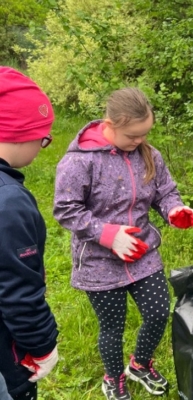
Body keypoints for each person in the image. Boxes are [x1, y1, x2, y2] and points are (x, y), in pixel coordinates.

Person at [53, 87, 193, 400]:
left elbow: (165, 191)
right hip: (98, 261)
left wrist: (175, 209)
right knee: (112, 328)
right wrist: (106, 234)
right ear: (112, 124)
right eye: (133, 135)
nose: (140, 142)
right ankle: (113, 377)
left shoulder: (149, 154)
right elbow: (65, 209)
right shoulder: (80, 161)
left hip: (141, 251)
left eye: (145, 134)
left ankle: (140, 364)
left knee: (159, 312)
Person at [0, 67, 59, 400]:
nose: (42, 147)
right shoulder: (8, 202)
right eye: (44, 138)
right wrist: (42, 345)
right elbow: (18, 291)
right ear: (20, 133)